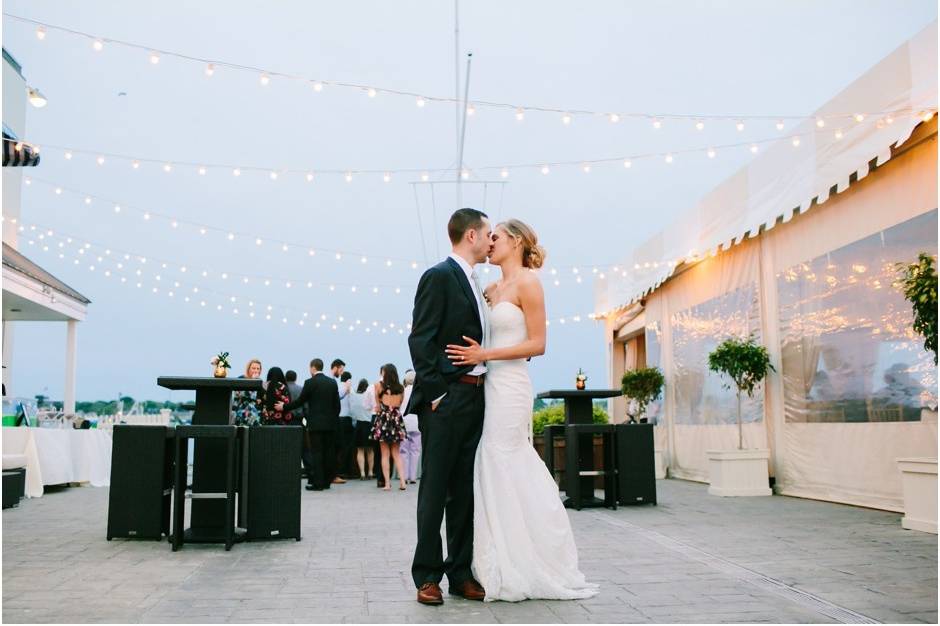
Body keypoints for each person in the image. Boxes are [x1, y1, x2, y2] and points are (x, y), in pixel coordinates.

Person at [446, 218, 598, 602]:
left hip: (511, 385)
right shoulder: (491, 288)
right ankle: (498, 556)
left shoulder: (529, 283)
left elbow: (538, 343)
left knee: (505, 457)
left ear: (515, 242)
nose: (489, 243)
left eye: (495, 237)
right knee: (491, 462)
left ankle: (530, 559)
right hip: (488, 385)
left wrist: (486, 354)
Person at [407, 208, 491, 605]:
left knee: (464, 490)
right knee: (436, 490)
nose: (492, 241)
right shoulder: (439, 276)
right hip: (447, 399)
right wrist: (438, 394)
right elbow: (420, 340)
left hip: (477, 397)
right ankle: (427, 575)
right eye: (488, 233)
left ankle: (460, 572)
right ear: (471, 235)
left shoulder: (479, 284)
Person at [276, 359, 341, 491]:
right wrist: (332, 419)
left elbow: (300, 401)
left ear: (312, 368)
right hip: (330, 424)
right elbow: (337, 406)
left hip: (315, 424)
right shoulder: (332, 383)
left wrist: (284, 407)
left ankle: (318, 483)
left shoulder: (310, 383)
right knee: (328, 452)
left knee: (316, 453)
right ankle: (327, 482)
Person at [371, 363, 407, 491]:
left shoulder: (378, 386)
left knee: (384, 454)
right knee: (397, 453)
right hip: (396, 418)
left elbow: (378, 406)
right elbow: (401, 403)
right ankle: (403, 482)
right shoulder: (401, 388)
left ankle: (387, 483)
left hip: (384, 419)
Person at [331, 360, 354, 482]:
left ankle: (339, 471)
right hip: (345, 420)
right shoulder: (346, 388)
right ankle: (343, 470)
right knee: (345, 447)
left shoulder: (337, 384)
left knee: (339, 446)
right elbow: (352, 406)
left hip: (337, 418)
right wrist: (348, 388)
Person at [349, 377, 374, 479]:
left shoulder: (354, 397)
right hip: (369, 424)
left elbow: (352, 412)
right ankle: (371, 472)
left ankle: (362, 473)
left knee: (360, 450)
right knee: (370, 450)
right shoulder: (369, 397)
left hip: (359, 424)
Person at [400, 370, 421, 484]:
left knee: (404, 451)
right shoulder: (418, 390)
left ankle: (405, 476)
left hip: (404, 423)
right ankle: (413, 477)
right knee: (415, 451)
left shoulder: (403, 391)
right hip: (417, 423)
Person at [233, 358, 263, 426]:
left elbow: (261, 398)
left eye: (258, 369)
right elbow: (241, 396)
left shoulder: (259, 382)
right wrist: (253, 381)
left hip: (255, 411)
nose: (256, 370)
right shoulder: (241, 379)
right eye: (253, 368)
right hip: (242, 409)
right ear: (248, 369)